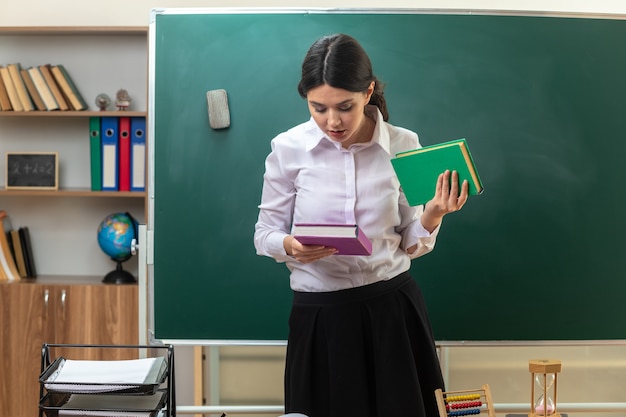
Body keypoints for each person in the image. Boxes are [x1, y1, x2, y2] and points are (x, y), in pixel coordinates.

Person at [253, 33, 469, 417]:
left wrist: (434, 214)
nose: (331, 121)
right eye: (318, 108)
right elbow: (263, 233)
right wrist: (290, 246)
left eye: (344, 107)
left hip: (392, 311)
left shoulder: (404, 143)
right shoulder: (287, 148)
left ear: (368, 92)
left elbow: (409, 242)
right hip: (320, 315)